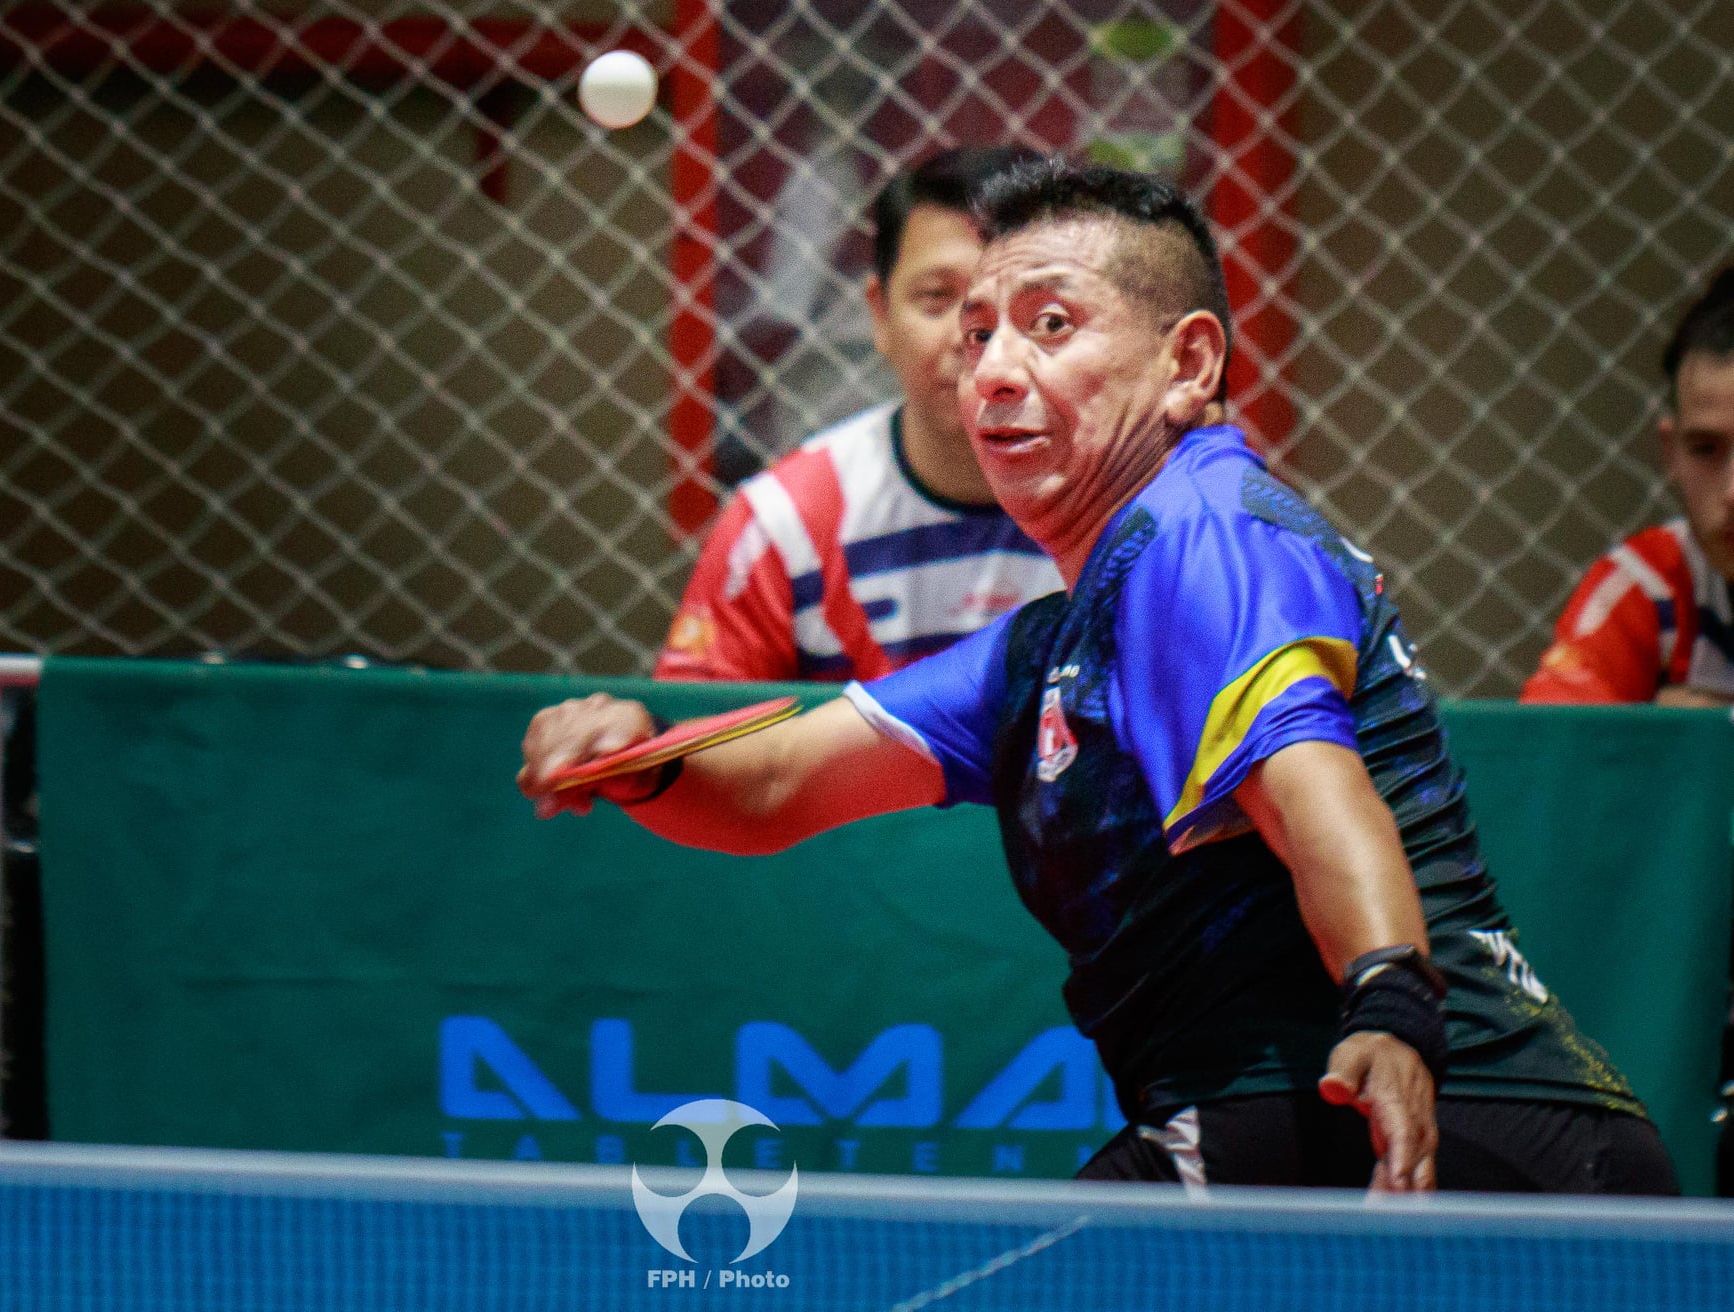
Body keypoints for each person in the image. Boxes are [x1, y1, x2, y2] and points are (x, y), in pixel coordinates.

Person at [523, 161, 1675, 1196]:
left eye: (1050, 323)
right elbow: (778, 786)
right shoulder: (1054, 643)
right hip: (1324, 1127)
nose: (991, 371)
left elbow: (1310, 777)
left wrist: (1386, 999)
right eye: (975, 334)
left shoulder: (1207, 528)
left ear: (1187, 363)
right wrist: (637, 756)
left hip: (1425, 1120)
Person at [656, 147, 1065, 682]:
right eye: (939, 299)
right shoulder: (784, 522)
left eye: (1029, 307)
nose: (979, 339)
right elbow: (694, 742)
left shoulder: (1134, 503)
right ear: (880, 314)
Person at [1523, 268, 1734, 705]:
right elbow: (1554, 753)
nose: (1733, 492)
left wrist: (1703, 739)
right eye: (1705, 449)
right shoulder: (1646, 585)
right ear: (1671, 450)